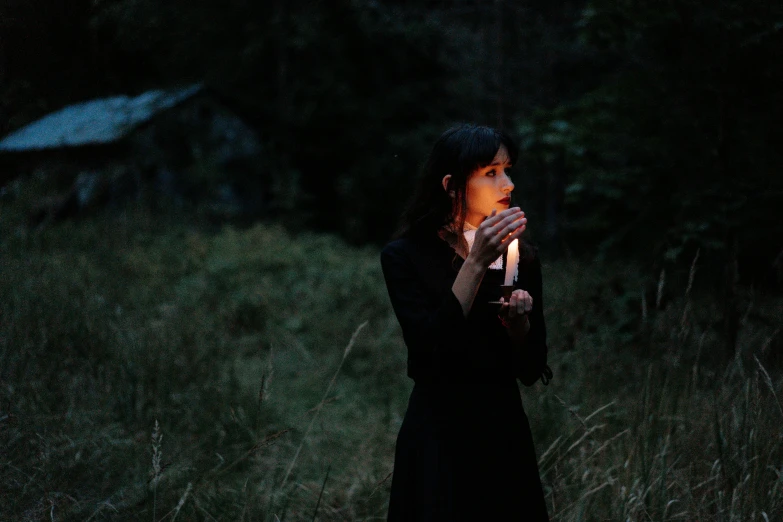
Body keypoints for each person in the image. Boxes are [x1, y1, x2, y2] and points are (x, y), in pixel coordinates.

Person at [380, 124, 552, 521]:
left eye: (507, 169)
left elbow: (529, 369)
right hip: (440, 433)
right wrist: (475, 262)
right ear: (452, 185)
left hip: (502, 429)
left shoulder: (522, 257)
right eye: (490, 172)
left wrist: (519, 327)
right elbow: (428, 354)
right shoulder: (406, 256)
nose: (507, 182)